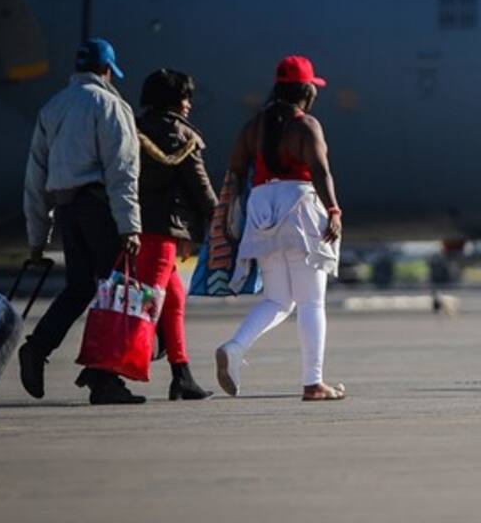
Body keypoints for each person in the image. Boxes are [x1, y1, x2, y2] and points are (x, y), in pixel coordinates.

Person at [21, 38, 145, 405]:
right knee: (117, 290)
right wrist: (130, 225)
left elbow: (35, 177)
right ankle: (104, 379)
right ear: (107, 71)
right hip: (98, 207)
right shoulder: (109, 105)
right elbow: (122, 170)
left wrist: (37, 239)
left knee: (79, 287)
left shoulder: (52, 108)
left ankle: (38, 347)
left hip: (69, 211)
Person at [215, 55, 345, 401]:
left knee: (277, 299)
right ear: (306, 91)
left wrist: (226, 214)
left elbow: (234, 170)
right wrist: (332, 208)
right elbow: (320, 170)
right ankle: (313, 382)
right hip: (299, 206)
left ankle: (235, 346)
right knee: (312, 303)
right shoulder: (306, 126)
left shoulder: (254, 126)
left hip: (262, 207)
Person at [134, 68, 218, 400]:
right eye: (184, 97)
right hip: (162, 229)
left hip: (146, 227)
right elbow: (199, 185)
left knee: (172, 300)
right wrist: (220, 217)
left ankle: (181, 374)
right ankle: (102, 373)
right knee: (147, 302)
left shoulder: (136, 130)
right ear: (172, 100)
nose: (188, 105)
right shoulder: (179, 136)